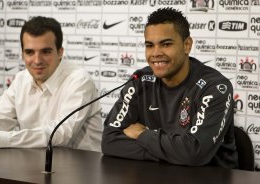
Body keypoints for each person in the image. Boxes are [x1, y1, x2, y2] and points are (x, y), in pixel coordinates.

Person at [101, 7, 238, 168]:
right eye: (149, 45)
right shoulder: (140, 82)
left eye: (166, 44)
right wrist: (175, 153)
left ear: (187, 45)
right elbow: (109, 141)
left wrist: (142, 134)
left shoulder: (214, 87)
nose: (156, 53)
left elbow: (194, 153)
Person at [0, 16, 102, 151]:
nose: (37, 60)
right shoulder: (21, 79)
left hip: (82, 167)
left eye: (46, 52)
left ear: (60, 52)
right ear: (22, 54)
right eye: (30, 52)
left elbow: (62, 134)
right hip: (33, 163)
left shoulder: (79, 81)